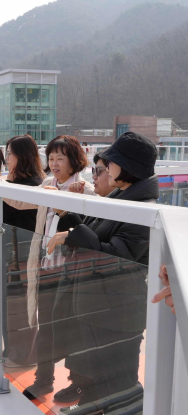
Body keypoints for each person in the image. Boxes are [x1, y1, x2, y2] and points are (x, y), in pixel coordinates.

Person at [46, 132, 159, 412]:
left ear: (127, 166)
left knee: (119, 383)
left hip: (117, 312)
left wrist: (72, 233)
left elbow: (116, 256)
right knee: (100, 374)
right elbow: (97, 235)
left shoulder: (141, 210)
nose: (107, 167)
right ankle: (91, 405)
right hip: (102, 305)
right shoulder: (121, 199)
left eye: (111, 162)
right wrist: (67, 217)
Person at [8, 135, 94, 402]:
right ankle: (43, 380)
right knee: (46, 329)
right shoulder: (47, 184)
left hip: (71, 272)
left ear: (74, 160)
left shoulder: (86, 190)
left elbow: (91, 229)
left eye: (60, 158)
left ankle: (78, 382)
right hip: (47, 267)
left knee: (74, 328)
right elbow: (21, 202)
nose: (54, 164)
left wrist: (71, 201)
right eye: (51, 158)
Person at [1, 134, 46, 366]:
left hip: (21, 253)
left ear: (23, 156)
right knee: (13, 303)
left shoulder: (33, 186)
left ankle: (22, 355)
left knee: (19, 304)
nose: (7, 158)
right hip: (14, 251)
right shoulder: (19, 182)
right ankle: (13, 351)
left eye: (10, 154)